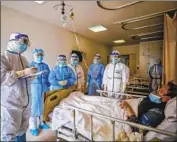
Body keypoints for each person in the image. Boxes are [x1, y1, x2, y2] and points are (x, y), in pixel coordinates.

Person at [1, 32, 37, 141]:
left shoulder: (24, 59)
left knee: (22, 129)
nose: (25, 46)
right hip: (11, 104)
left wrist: (32, 75)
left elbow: (27, 78)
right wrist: (21, 73)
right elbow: (2, 78)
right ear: (13, 42)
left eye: (27, 43)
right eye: (22, 42)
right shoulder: (4, 58)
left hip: (25, 102)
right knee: (9, 132)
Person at [29, 48, 50, 136]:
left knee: (42, 106)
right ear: (34, 55)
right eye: (38, 55)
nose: (40, 56)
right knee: (34, 107)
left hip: (43, 87)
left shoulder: (45, 65)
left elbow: (49, 76)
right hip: (34, 87)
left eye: (41, 55)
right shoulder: (31, 65)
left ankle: (41, 123)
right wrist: (36, 74)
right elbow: (28, 76)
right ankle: (33, 127)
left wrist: (49, 86)